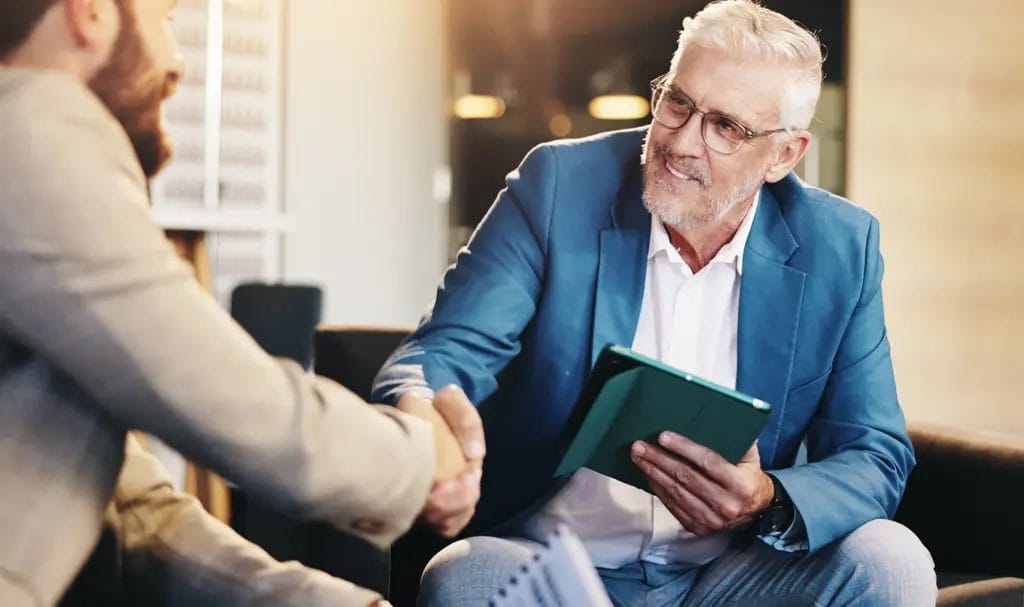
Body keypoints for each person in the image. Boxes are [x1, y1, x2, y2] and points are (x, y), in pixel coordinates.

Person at [372, 1, 938, 605]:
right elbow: (444, 351)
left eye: (726, 127)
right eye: (678, 102)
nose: (682, 143)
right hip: (555, 562)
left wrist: (764, 499)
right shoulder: (560, 186)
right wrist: (422, 406)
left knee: (891, 560)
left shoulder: (840, 247)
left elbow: (873, 453)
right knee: (462, 576)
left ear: (784, 155)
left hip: (727, 579)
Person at [0, 0, 483, 605]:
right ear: (90, 12)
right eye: (165, 18)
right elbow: (239, 403)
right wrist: (424, 458)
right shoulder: (27, 128)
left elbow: (135, 515)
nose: (176, 63)